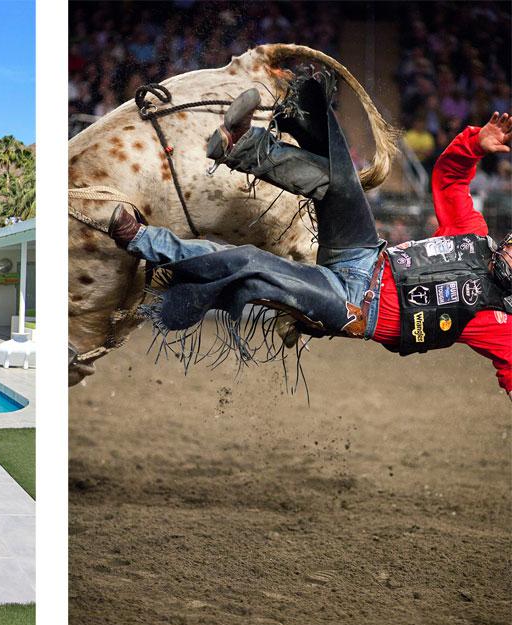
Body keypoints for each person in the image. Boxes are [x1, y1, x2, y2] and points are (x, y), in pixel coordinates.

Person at [106, 72, 512, 397]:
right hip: (365, 253)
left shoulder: (504, 327)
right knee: (339, 179)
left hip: (351, 305)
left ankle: (142, 240)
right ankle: (241, 146)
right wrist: (475, 143)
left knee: (251, 262)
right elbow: (450, 178)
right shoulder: (474, 235)